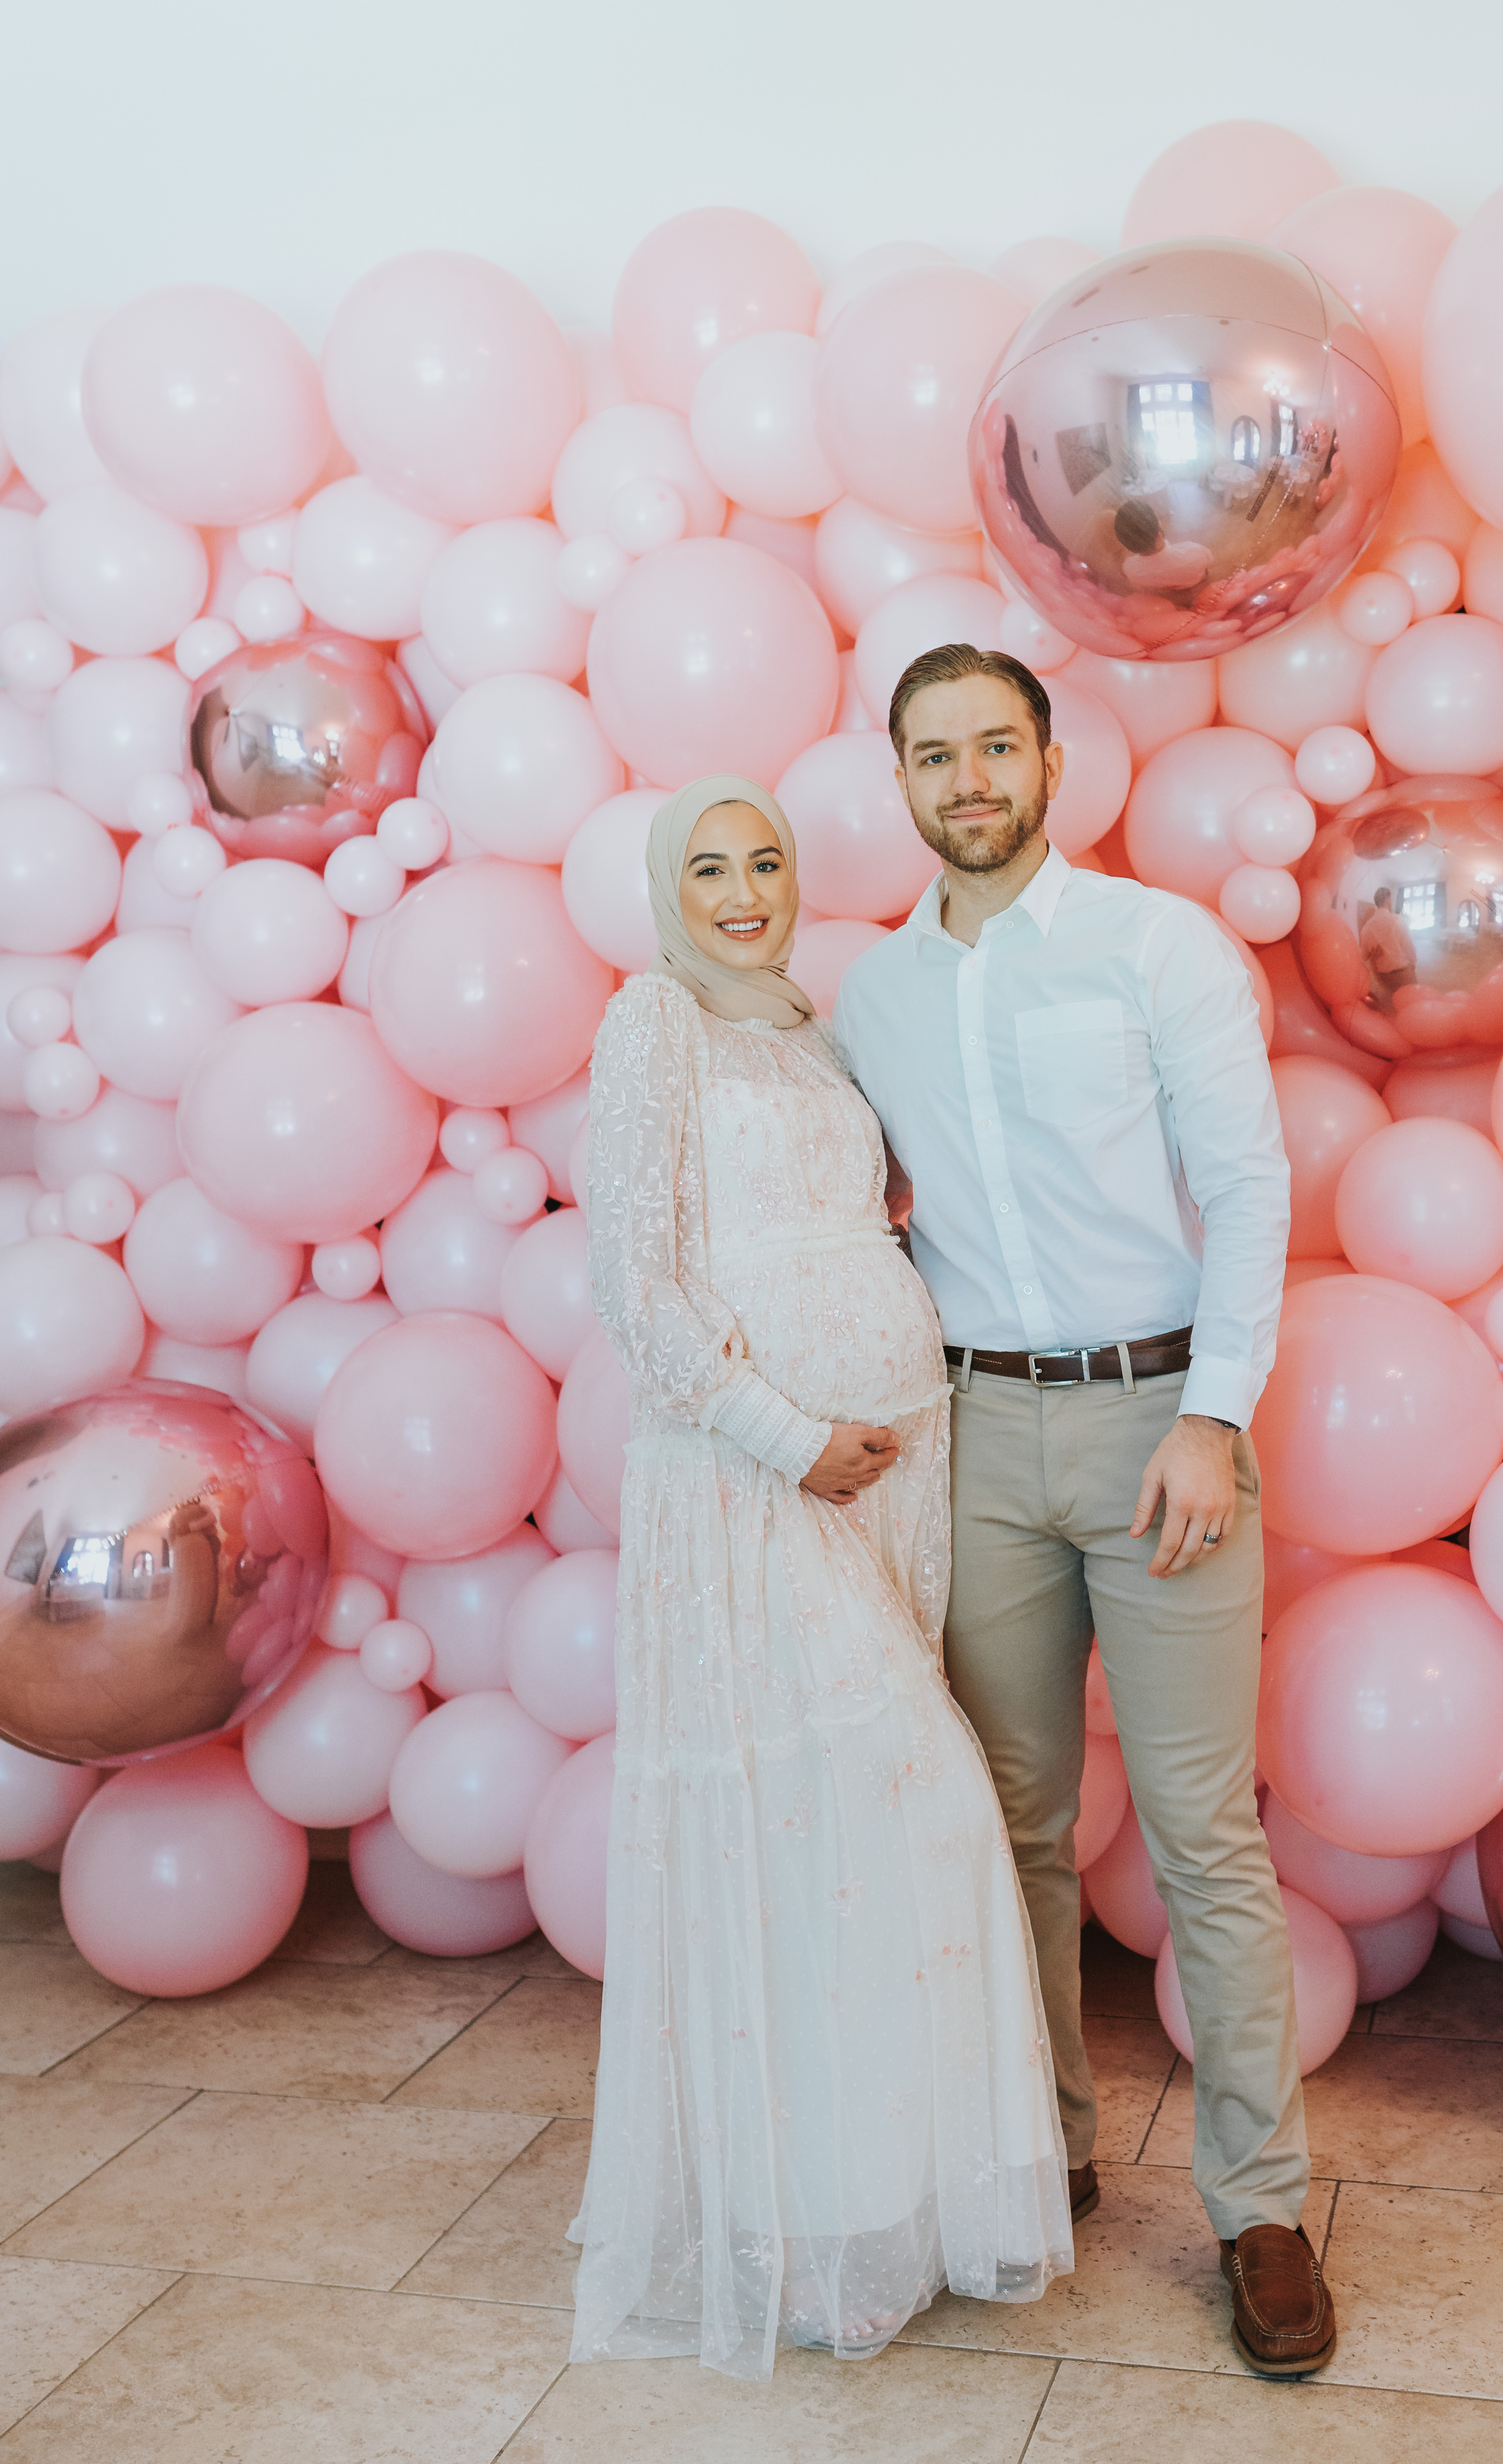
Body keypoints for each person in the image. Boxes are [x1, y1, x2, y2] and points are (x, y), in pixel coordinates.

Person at [832, 644, 1335, 2380]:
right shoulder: (872, 1000)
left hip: (1159, 1426)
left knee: (1203, 1834)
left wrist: (1212, 1417)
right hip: (978, 1435)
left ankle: (1260, 2204)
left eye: (993, 745)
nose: (966, 779)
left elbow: (1251, 1185)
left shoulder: (1153, 945)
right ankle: (1037, 2149)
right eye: (932, 755)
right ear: (898, 780)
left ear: (1051, 758)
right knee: (1014, 1821)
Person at [568, 773, 1070, 2383]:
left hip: (896, 1468)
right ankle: (799, 2223)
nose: (740, 890)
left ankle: (891, 2209)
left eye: (764, 860)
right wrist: (788, 1430)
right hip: (753, 1480)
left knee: (849, 1835)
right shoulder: (656, 1023)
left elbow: (868, 1226)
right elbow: (635, 1288)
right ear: (669, 888)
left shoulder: (811, 1025)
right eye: (707, 866)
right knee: (876, 1801)